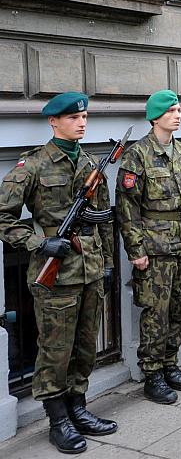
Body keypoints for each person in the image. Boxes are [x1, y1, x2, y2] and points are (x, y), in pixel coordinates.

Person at [0, 92, 117, 453]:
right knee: (55, 351)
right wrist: (39, 243)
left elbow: (103, 221)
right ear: (54, 122)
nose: (82, 122)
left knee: (85, 347)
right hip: (57, 276)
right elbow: (3, 218)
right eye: (73, 118)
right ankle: (58, 420)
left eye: (84, 117)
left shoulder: (91, 164)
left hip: (91, 270)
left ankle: (79, 408)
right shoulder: (32, 165)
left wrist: (108, 263)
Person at [116, 90, 181, 404]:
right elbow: (127, 208)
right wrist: (136, 250)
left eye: (179, 110)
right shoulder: (137, 155)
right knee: (156, 313)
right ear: (155, 116)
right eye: (172, 111)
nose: (178, 115)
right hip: (155, 248)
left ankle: (170, 363)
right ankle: (152, 375)